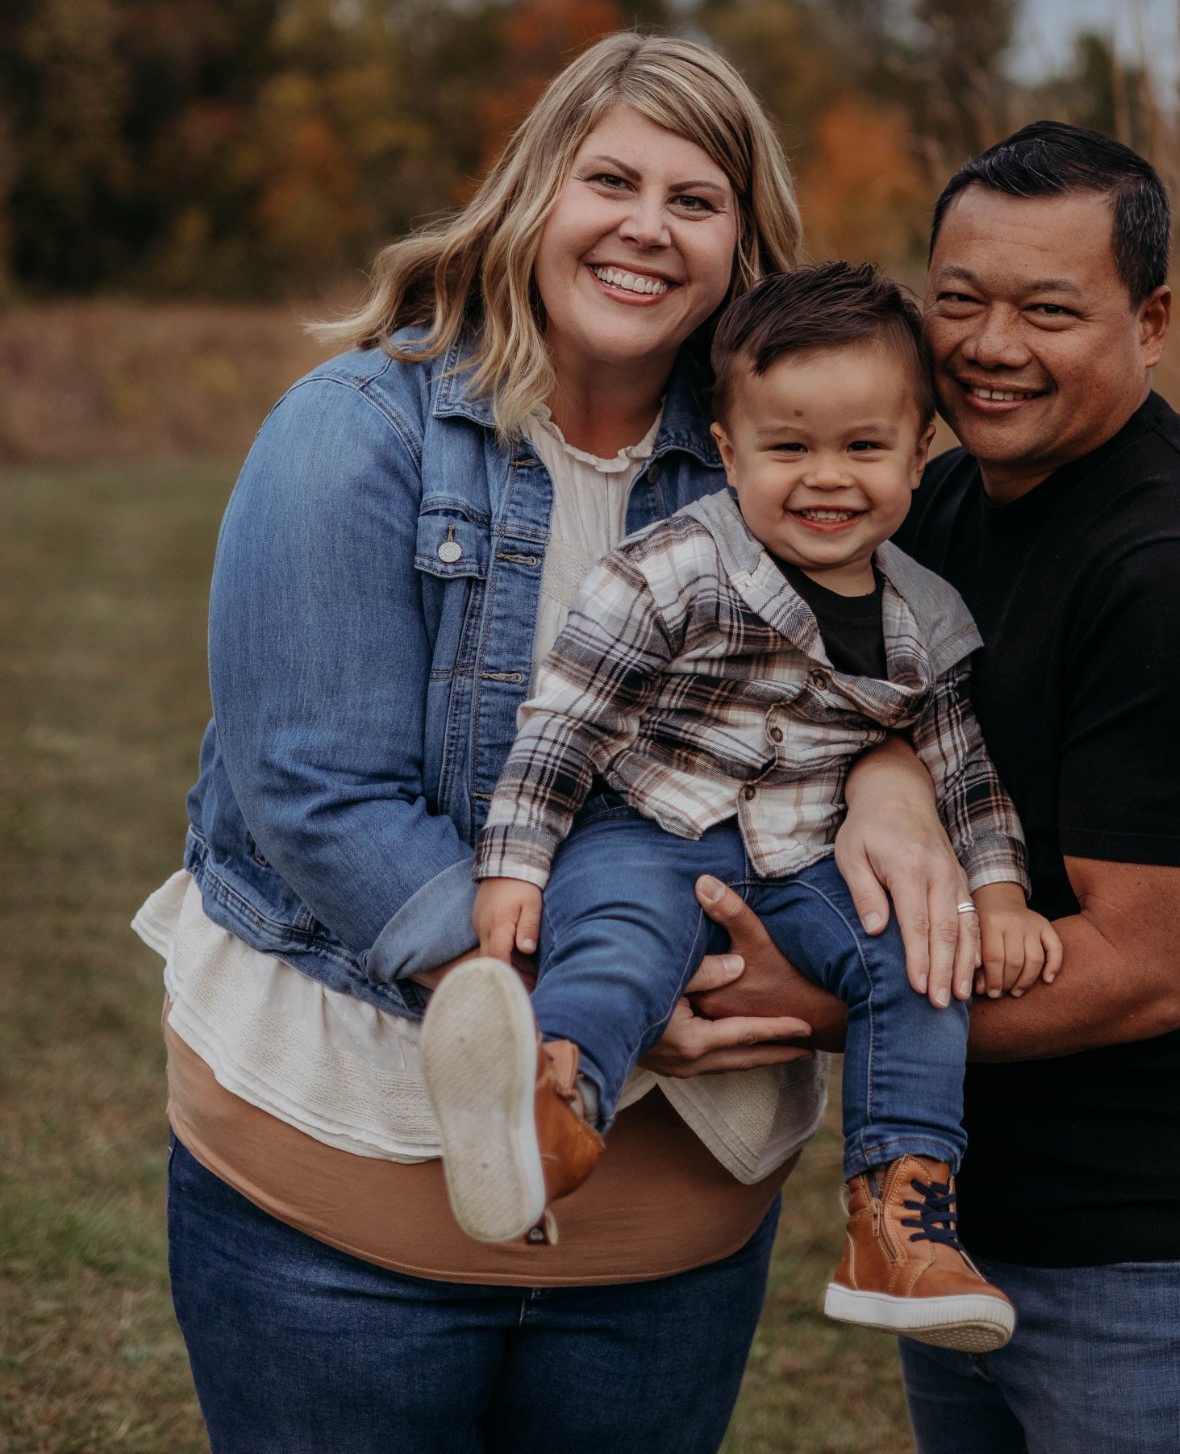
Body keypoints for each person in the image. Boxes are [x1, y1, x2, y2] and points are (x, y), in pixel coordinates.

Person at [132, 33, 978, 1454]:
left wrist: (891, 778)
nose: (648, 227)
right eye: (611, 180)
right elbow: (316, 795)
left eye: (695, 200)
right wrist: (608, 993)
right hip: (349, 1209)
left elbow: (869, 664)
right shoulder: (356, 433)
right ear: (534, 195)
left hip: (664, 1258)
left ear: (742, 245)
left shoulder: (778, 457)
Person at [699, 122, 1180, 1452]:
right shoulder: (936, 505)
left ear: (1148, 321)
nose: (991, 345)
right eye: (960, 301)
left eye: (1048, 310)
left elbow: (1144, 967)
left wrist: (818, 1003)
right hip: (970, 1226)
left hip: (1160, 1254)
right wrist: (885, 779)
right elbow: (868, 702)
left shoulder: (1175, 577)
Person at [421, 263, 1060, 1352]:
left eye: (863, 448)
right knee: (622, 938)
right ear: (727, 450)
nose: (827, 479)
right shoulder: (671, 571)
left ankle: (896, 1216)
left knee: (921, 953)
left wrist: (995, 890)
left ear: (919, 453)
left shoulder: (928, 619)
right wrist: (516, 863)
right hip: (650, 827)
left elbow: (962, 773)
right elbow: (566, 719)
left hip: (806, 852)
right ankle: (550, 1109)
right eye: (788, 447)